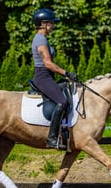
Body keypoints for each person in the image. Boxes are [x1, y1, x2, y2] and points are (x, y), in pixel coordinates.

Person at [31, 8, 78, 149]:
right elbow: (48, 63)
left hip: (47, 76)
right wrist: (67, 73)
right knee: (62, 101)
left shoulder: (43, 39)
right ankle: (52, 138)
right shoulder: (40, 40)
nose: (53, 26)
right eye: (51, 23)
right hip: (43, 76)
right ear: (43, 24)